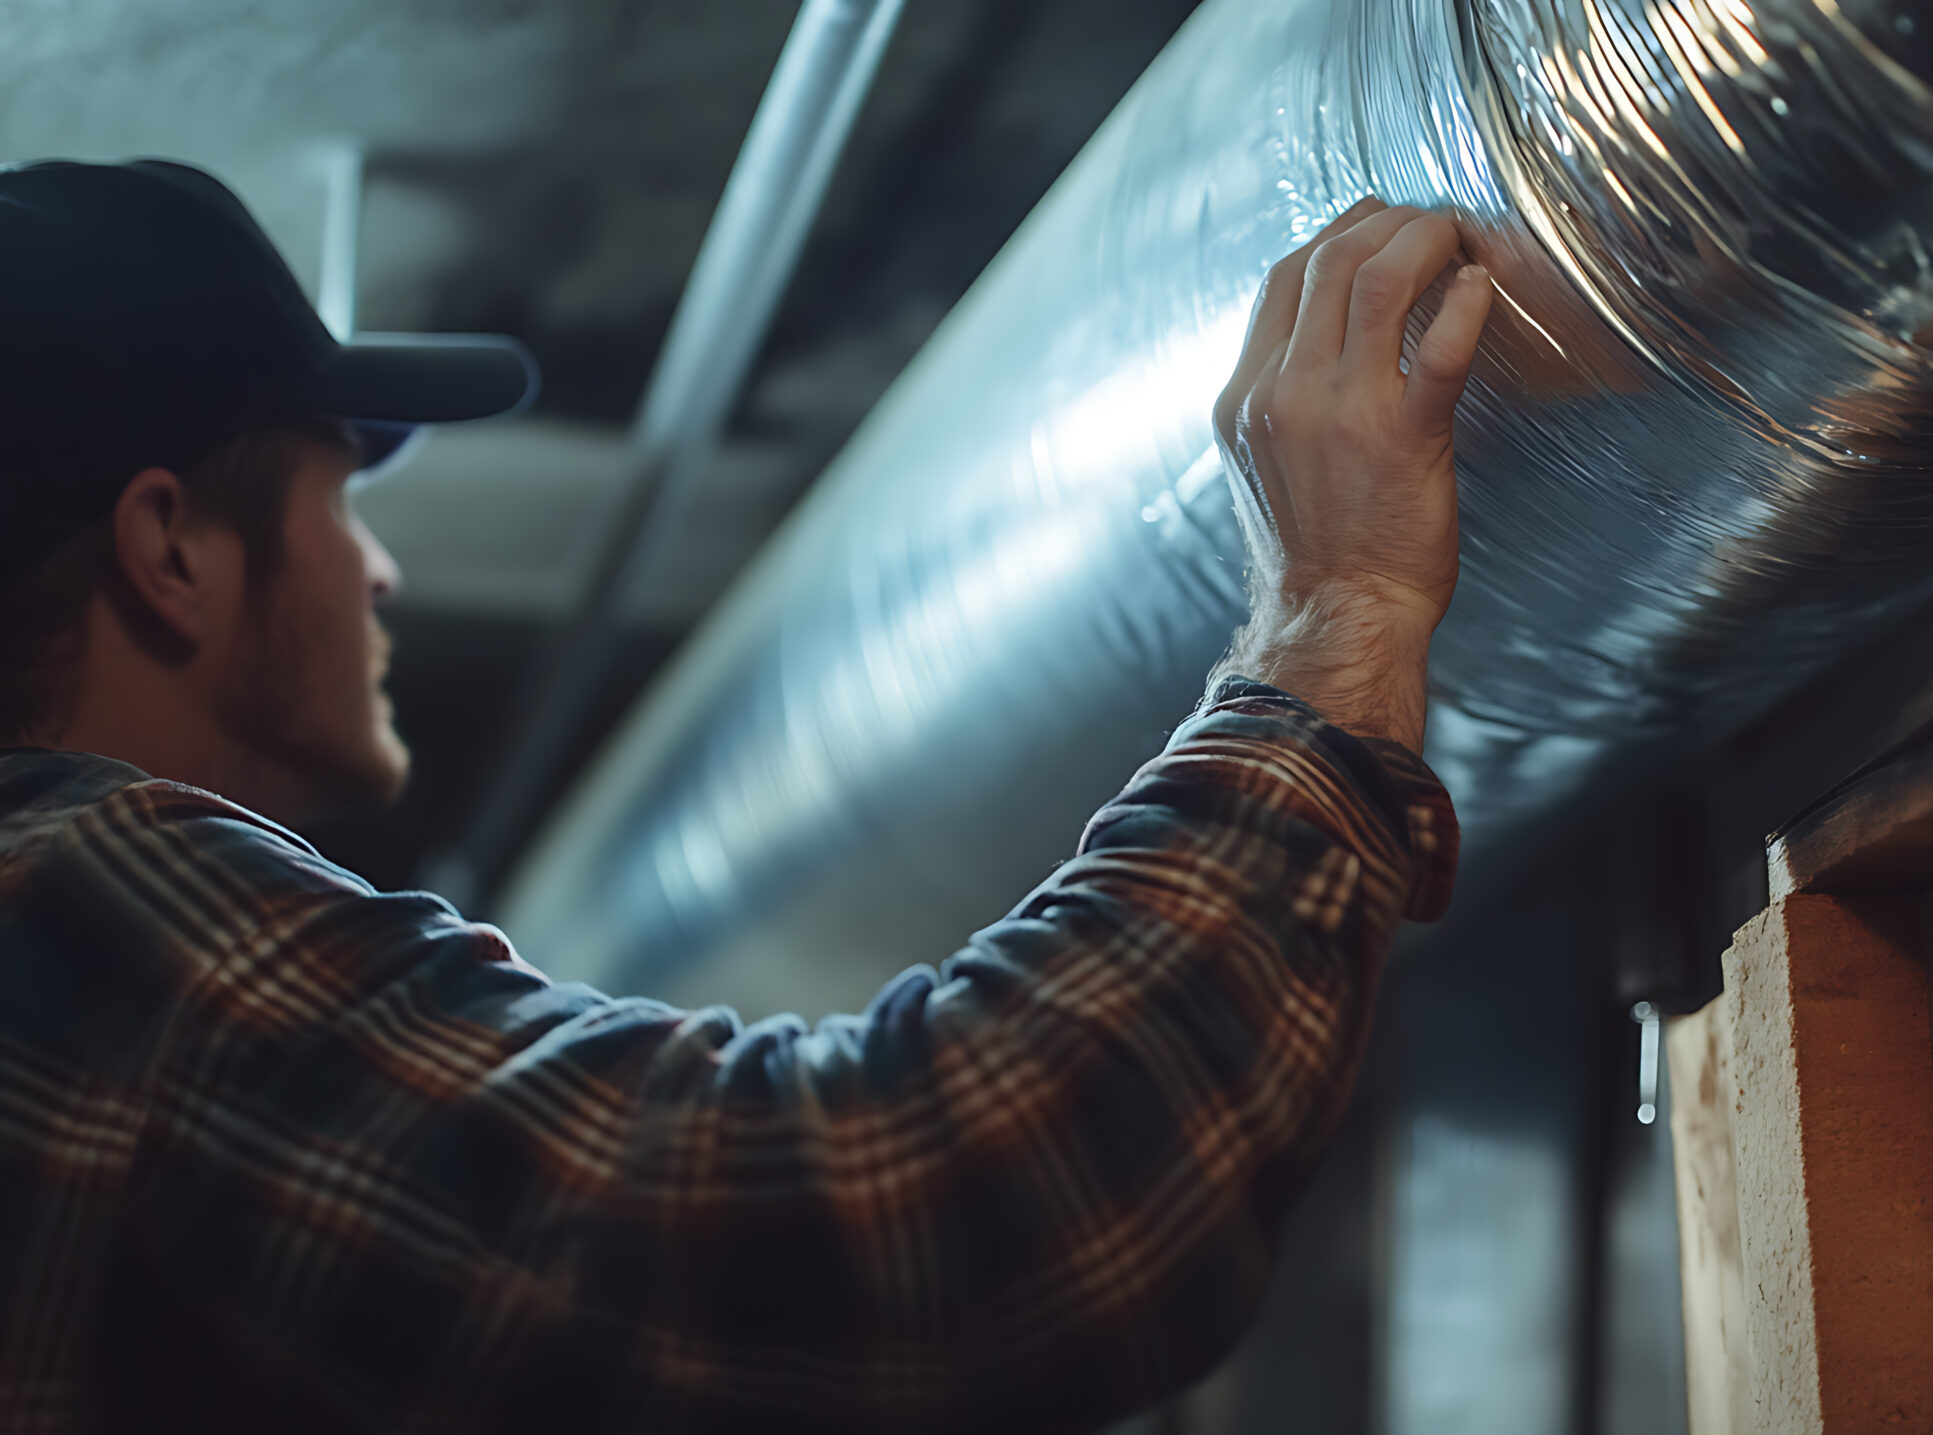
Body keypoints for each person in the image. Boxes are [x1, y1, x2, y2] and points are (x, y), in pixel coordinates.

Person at [0, 159, 1491, 1433]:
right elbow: (936, 1232)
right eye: (340, 493)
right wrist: (1334, 616)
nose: (379, 571)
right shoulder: (76, 904)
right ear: (170, 548)